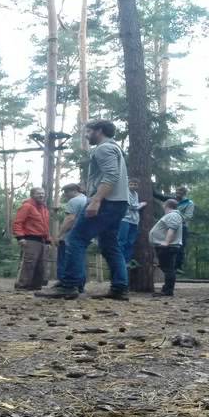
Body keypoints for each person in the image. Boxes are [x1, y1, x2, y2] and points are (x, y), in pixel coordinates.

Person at [37, 119, 130, 300]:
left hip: (106, 202)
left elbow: (111, 175)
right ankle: (120, 288)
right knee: (110, 245)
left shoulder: (104, 148)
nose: (86, 136)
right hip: (119, 203)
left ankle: (69, 285)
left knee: (75, 238)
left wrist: (96, 200)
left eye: (88, 132)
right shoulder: (115, 148)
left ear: (99, 131)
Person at [12, 187, 51, 291]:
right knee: (28, 263)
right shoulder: (26, 206)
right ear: (32, 195)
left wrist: (48, 240)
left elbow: (46, 225)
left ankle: (35, 285)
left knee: (41, 264)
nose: (41, 195)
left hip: (42, 240)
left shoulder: (44, 208)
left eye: (43, 193)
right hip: (30, 239)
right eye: (38, 193)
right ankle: (22, 285)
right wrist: (20, 237)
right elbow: (18, 222)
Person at [153, 185, 194, 272]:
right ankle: (163, 262)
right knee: (164, 243)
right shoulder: (172, 200)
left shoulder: (189, 203)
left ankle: (178, 266)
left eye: (180, 193)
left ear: (184, 193)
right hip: (168, 226)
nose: (177, 194)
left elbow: (188, 216)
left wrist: (176, 217)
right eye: (177, 192)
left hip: (182, 227)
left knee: (180, 246)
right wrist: (152, 188)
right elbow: (161, 197)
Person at [149, 198, 185, 297]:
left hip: (169, 246)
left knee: (168, 269)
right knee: (167, 268)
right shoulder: (172, 215)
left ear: (165, 205)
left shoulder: (173, 215)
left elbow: (172, 229)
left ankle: (168, 291)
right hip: (168, 246)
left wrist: (166, 242)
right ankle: (166, 289)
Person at [55, 182, 87, 289]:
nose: (65, 195)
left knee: (65, 258)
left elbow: (70, 219)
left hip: (71, 234)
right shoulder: (87, 200)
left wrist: (59, 235)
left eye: (66, 192)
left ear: (74, 191)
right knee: (79, 258)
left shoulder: (74, 201)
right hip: (85, 234)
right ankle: (80, 284)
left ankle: (64, 283)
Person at [119, 177, 145, 266]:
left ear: (138, 186)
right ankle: (120, 260)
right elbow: (131, 205)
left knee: (131, 241)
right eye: (131, 184)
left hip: (134, 221)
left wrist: (138, 206)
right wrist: (141, 204)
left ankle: (127, 261)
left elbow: (135, 206)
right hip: (125, 219)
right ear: (128, 184)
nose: (133, 186)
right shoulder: (125, 192)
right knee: (122, 240)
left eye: (135, 184)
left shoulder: (136, 194)